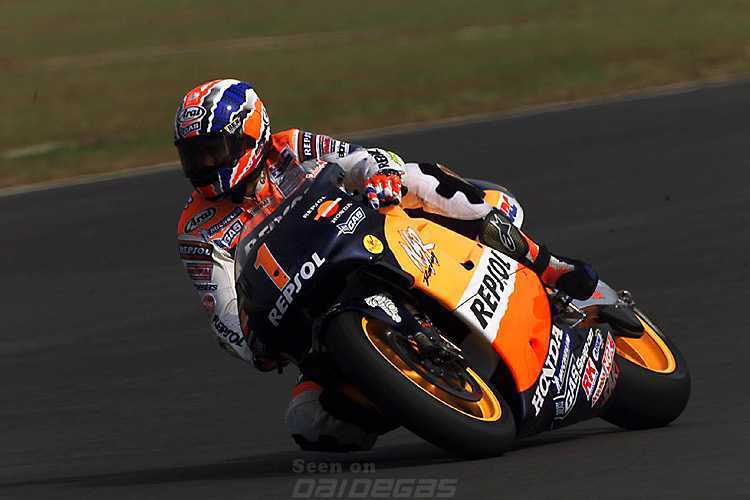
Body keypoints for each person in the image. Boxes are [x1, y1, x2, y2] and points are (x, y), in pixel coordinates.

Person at [175, 79, 598, 451]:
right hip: (307, 313)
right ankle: (406, 391)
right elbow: (222, 307)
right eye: (193, 156)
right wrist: (253, 344)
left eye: (213, 151)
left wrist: (380, 175)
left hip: (370, 239)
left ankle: (547, 264)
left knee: (413, 176)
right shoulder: (196, 228)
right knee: (308, 422)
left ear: (251, 136)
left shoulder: (292, 146)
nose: (204, 166)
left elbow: (361, 159)